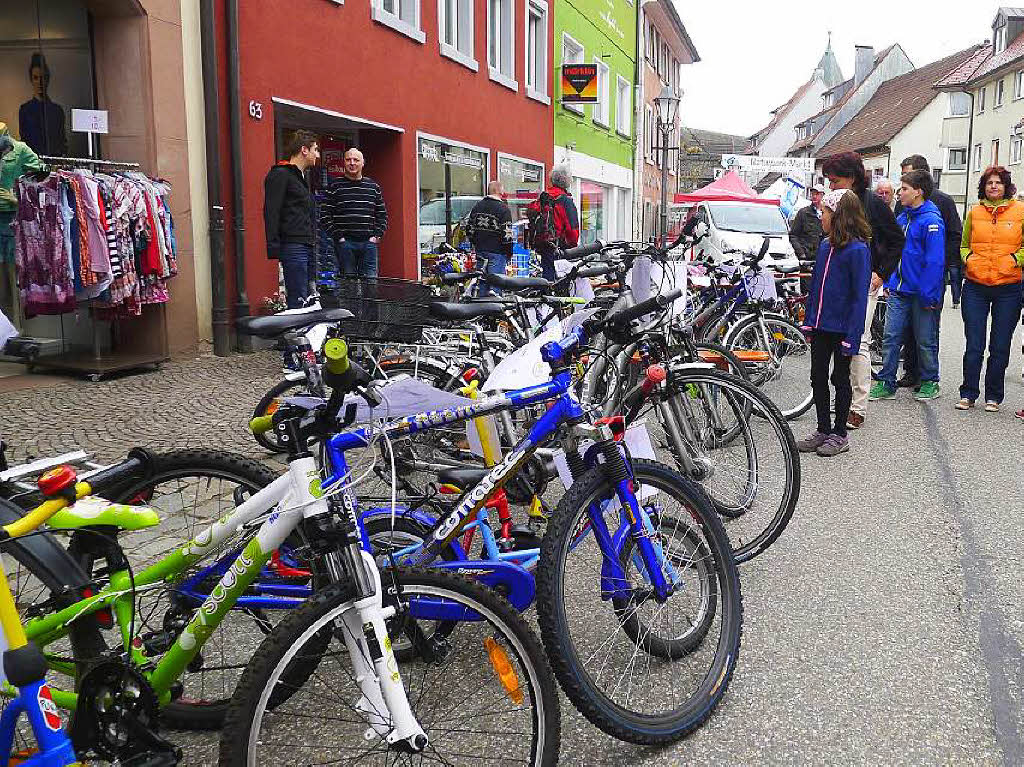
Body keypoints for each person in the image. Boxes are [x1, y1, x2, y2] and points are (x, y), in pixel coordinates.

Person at [821, 151, 905, 429]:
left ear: (853, 178)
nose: (831, 186)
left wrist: (882, 273)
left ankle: (858, 406)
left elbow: (896, 240)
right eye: (829, 181)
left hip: (865, 284)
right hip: (839, 285)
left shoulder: (873, 204)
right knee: (837, 340)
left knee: (859, 342)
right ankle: (843, 398)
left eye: (835, 181)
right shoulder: (835, 204)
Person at [796, 189, 872, 457]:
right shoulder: (826, 245)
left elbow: (858, 297)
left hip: (842, 328)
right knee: (817, 376)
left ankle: (839, 433)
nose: (821, 216)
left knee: (840, 379)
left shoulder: (858, 250)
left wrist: (853, 335)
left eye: (825, 212)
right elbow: (816, 286)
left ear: (838, 216)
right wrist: (809, 320)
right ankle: (822, 428)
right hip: (820, 326)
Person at [869, 169, 945, 401]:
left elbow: (935, 261)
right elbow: (893, 252)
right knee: (890, 337)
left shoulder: (932, 221)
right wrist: (890, 279)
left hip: (921, 293)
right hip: (899, 290)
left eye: (904, 189)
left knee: (924, 339)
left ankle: (931, 380)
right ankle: (886, 381)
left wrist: (928, 294)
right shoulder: (902, 218)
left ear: (918, 192)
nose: (899, 193)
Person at [955, 166, 1024, 412]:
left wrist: (1015, 260)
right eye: (989, 183)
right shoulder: (974, 212)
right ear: (983, 187)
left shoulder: (1020, 211)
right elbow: (963, 245)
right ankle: (968, 393)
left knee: (1000, 345)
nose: (993, 186)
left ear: (1006, 186)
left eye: (998, 182)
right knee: (974, 344)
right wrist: (969, 259)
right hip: (975, 286)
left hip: (1009, 287)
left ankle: (993, 396)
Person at [894, 155, 964, 390]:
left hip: (932, 276)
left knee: (927, 330)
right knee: (904, 331)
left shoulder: (943, 202)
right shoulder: (902, 203)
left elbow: (955, 235)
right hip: (906, 278)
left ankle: (928, 376)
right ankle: (910, 372)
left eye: (907, 174)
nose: (901, 187)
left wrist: (940, 266)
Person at [263, 130, 319, 309]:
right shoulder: (281, 174)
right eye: (315, 149)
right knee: (298, 297)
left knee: (309, 296)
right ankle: (294, 336)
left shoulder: (300, 177)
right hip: (293, 245)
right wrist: (274, 246)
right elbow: (271, 211)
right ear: (304, 150)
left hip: (306, 244)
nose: (317, 154)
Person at [323, 148, 388, 278]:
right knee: (348, 288)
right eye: (348, 160)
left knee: (370, 285)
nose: (352, 163)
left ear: (363, 163)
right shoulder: (334, 186)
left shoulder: (373, 187)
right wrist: (339, 237)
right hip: (345, 244)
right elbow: (325, 215)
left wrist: (376, 236)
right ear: (344, 163)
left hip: (368, 243)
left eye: (356, 160)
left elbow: (382, 215)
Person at [0, 122, 42, 323]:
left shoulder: (20, 149)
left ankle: (15, 328)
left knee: (11, 277)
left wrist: (18, 197)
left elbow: (43, 175)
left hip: (9, 219)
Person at [527, 164, 579, 281]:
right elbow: (572, 228)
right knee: (562, 283)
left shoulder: (543, 197)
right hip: (560, 247)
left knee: (547, 280)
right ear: (565, 180)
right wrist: (573, 248)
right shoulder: (564, 200)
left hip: (543, 246)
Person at [466, 180, 513, 296]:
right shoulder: (503, 209)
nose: (503, 193)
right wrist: (509, 251)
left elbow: (469, 229)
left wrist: (475, 243)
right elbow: (507, 235)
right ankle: (494, 311)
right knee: (495, 286)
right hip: (497, 252)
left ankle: (481, 309)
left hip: (480, 251)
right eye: (502, 190)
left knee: (481, 282)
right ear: (498, 190)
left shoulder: (477, 206)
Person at [18, 53, 66, 157]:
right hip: (32, 162)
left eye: (43, 77)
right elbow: (24, 140)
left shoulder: (57, 110)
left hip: (54, 162)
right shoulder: (25, 110)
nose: (39, 82)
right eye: (36, 78)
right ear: (31, 80)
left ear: (47, 79)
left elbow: (62, 141)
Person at [788, 183, 825, 260]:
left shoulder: (827, 213)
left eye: (817, 194)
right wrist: (801, 253)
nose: (814, 196)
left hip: (822, 257)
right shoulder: (803, 212)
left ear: (822, 195)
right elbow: (793, 235)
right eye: (813, 194)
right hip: (806, 258)